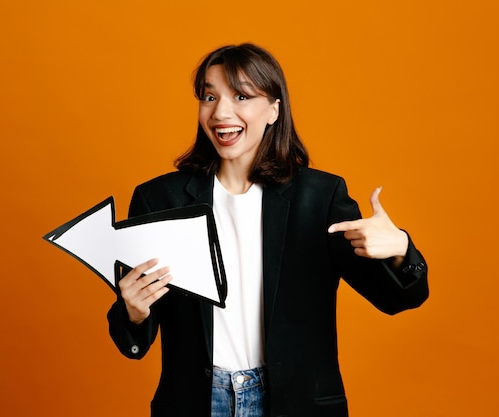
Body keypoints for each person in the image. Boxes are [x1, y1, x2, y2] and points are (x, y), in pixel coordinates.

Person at [107, 43, 428, 417]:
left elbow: (399, 299)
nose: (220, 112)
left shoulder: (320, 198)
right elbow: (134, 341)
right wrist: (132, 311)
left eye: (241, 95)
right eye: (209, 96)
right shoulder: (159, 200)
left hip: (293, 403)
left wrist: (401, 248)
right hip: (197, 402)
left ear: (273, 110)